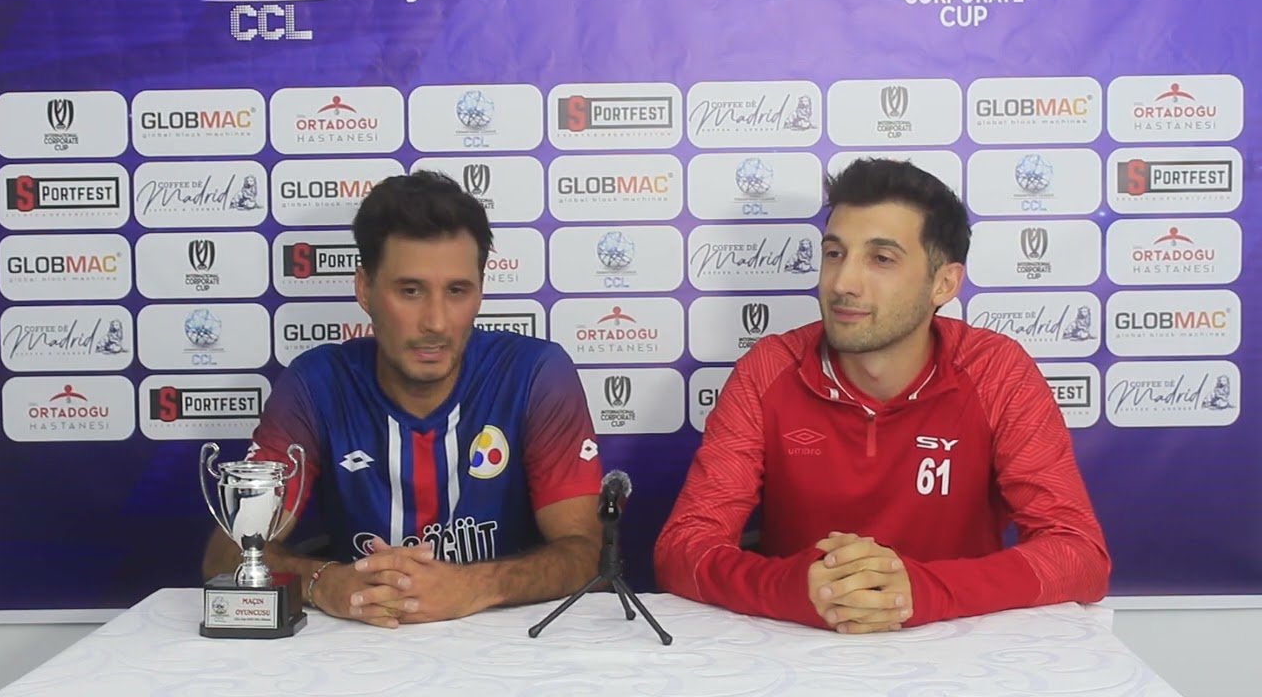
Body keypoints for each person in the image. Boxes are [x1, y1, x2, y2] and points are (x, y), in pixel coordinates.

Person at [653, 157, 1111, 634]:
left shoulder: (997, 372)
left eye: (881, 259)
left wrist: (921, 590)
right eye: (834, 253)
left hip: (957, 647)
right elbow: (682, 547)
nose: (842, 283)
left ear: (944, 283)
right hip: (803, 645)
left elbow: (1078, 554)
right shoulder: (768, 369)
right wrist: (786, 587)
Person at [202, 171, 604, 629]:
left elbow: (588, 555)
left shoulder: (535, 375)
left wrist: (474, 585)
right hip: (362, 644)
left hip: (509, 643)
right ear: (365, 289)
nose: (435, 322)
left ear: (480, 291)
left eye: (457, 291)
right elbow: (227, 555)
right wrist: (323, 583)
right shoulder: (315, 384)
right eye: (410, 291)